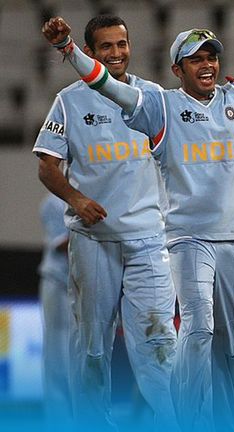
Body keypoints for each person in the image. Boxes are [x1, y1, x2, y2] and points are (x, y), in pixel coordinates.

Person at [42, 2, 234, 430]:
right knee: (197, 327)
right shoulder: (159, 107)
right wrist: (70, 49)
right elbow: (107, 84)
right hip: (187, 240)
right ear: (177, 69)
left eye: (212, 56)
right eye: (195, 58)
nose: (207, 64)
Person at [34, 15, 177, 431]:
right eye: (106, 47)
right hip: (93, 241)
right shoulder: (68, 101)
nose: (116, 53)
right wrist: (76, 199)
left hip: (149, 240)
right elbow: (47, 166)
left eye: (122, 44)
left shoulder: (152, 96)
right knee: (92, 349)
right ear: (91, 52)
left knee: (159, 343)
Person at [37, 193, 72, 431]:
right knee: (57, 351)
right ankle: (56, 420)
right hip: (57, 282)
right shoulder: (53, 201)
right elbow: (60, 244)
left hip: (81, 283)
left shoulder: (94, 192)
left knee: (78, 352)